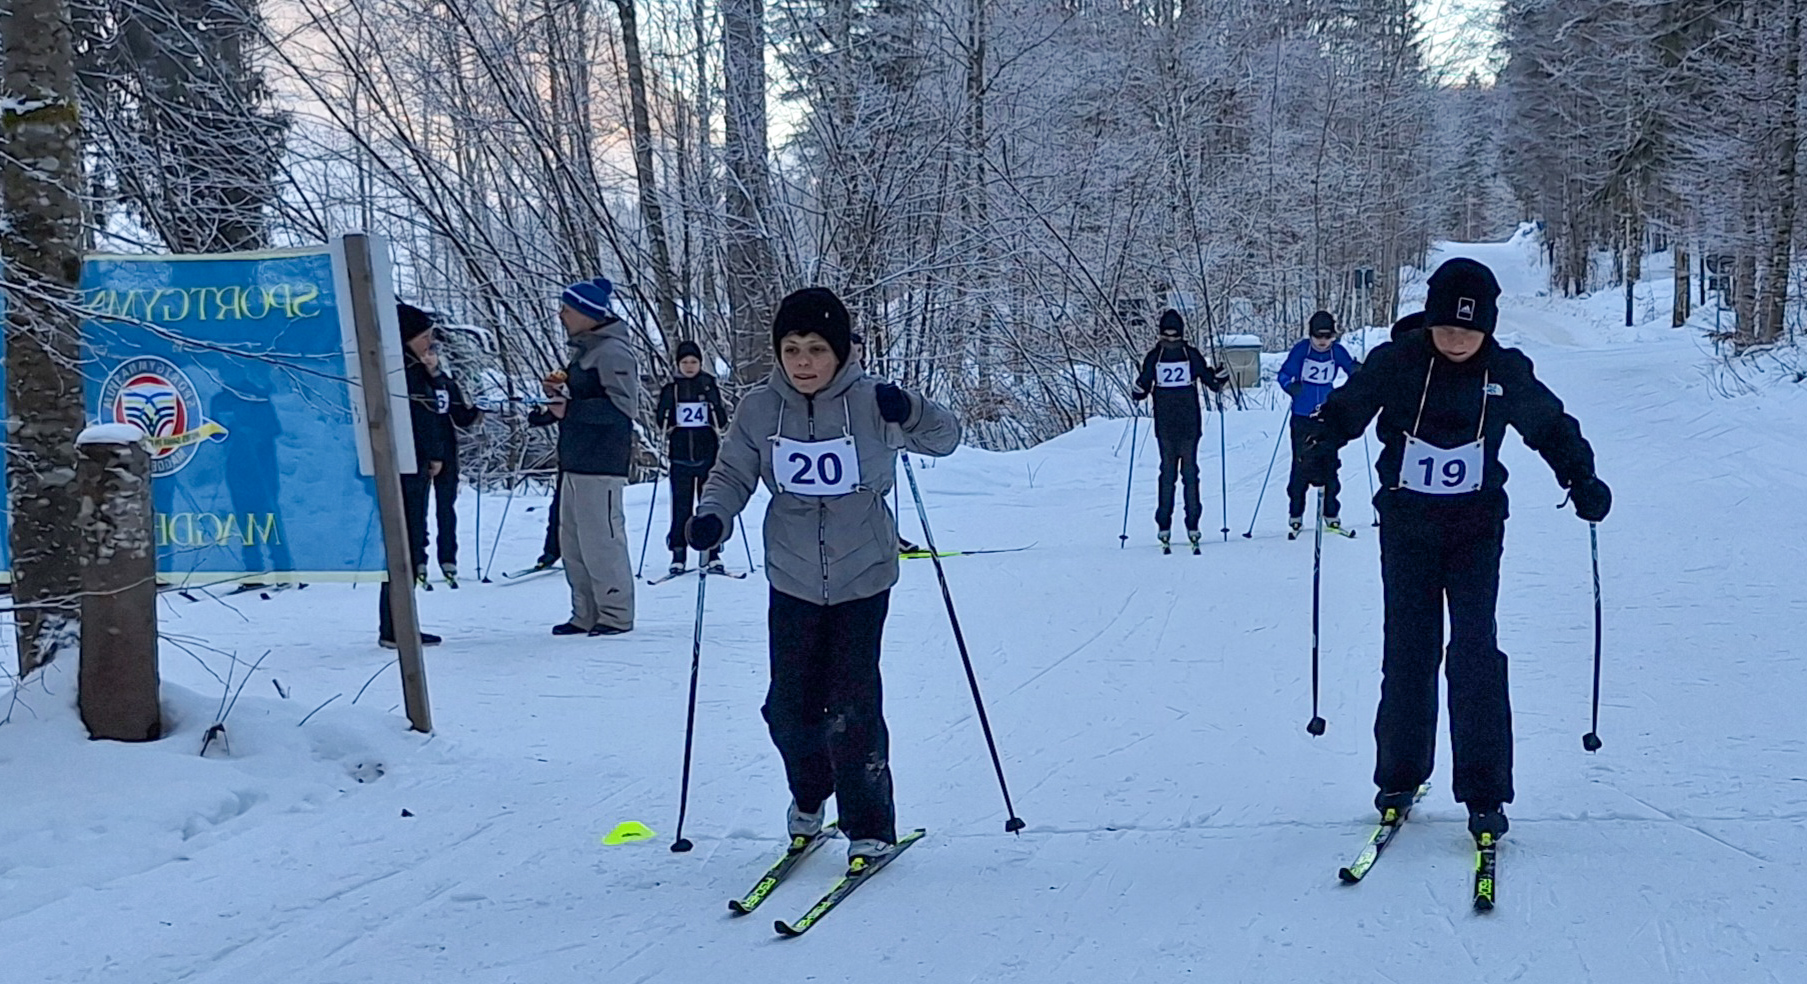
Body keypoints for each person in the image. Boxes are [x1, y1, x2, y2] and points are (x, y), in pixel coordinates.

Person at [1301, 257, 1612, 844]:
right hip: (1407, 525)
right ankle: (1399, 777)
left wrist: (1581, 477)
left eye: (1469, 332)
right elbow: (1347, 409)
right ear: (1430, 324)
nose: (1457, 340)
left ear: (1488, 329)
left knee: (1474, 650)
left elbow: (1550, 427)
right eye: (1447, 330)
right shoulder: (1396, 362)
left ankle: (1485, 789)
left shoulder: (1505, 370)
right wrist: (1321, 443)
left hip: (1475, 527)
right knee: (1410, 648)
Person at [685, 287, 961, 867]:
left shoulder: (871, 402)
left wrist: (909, 408)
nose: (803, 361)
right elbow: (732, 469)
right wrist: (713, 515)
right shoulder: (760, 408)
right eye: (791, 349)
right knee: (787, 708)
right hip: (791, 574)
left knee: (852, 702)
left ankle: (870, 825)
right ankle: (810, 797)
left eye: (815, 348)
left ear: (839, 352)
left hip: (864, 572)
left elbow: (945, 438)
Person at [544, 278, 639, 637]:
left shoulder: (613, 352)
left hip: (602, 463)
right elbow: (583, 402)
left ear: (586, 313)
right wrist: (553, 405)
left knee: (602, 540)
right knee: (574, 542)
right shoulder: (585, 350)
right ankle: (584, 612)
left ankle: (615, 614)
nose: (561, 315)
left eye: (567, 310)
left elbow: (621, 409)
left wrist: (570, 409)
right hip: (575, 460)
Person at [1130, 309, 1230, 550]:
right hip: (1166, 425)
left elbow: (1211, 383)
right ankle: (1164, 523)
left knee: (1188, 473)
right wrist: (1137, 390)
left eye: (1175, 336)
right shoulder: (1156, 357)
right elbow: (1141, 388)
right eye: (1167, 336)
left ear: (1182, 335)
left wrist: (1221, 376)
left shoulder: (1189, 355)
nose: (1171, 340)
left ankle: (1192, 522)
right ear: (1161, 334)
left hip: (1188, 424)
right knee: (1169, 474)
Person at [379, 303, 447, 648]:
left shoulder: (411, 368)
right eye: (424, 337)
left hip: (411, 463)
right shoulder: (406, 373)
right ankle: (397, 626)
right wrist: (434, 454)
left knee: (407, 541)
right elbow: (425, 417)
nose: (429, 343)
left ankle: (397, 623)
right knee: (407, 541)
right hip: (409, 465)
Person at [1276, 311, 1361, 537]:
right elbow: (1283, 374)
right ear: (1311, 335)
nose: (1323, 341)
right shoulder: (1302, 351)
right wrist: (1290, 386)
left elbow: (1350, 368)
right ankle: (1296, 514)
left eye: (1327, 336)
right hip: (1302, 416)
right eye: (1318, 336)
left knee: (1330, 464)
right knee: (1301, 464)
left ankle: (1331, 514)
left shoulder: (1336, 351)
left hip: (1327, 415)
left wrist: (1358, 372)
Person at [655, 340, 729, 575]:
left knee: (708, 505)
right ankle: (678, 553)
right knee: (681, 506)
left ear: (700, 363)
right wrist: (669, 418)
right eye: (685, 362)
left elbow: (721, 419)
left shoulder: (708, 384)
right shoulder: (671, 389)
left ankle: (712, 552)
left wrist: (713, 408)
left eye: (693, 362)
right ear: (678, 364)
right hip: (680, 457)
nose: (689, 366)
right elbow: (661, 420)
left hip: (707, 455)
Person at [419, 343, 482, 586]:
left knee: (446, 508)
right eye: (424, 353)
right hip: (422, 452)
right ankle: (418, 559)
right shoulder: (413, 384)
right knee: (418, 509)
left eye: (432, 353)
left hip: (447, 451)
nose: (428, 359)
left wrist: (478, 409)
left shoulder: (447, 383)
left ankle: (448, 560)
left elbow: (461, 418)